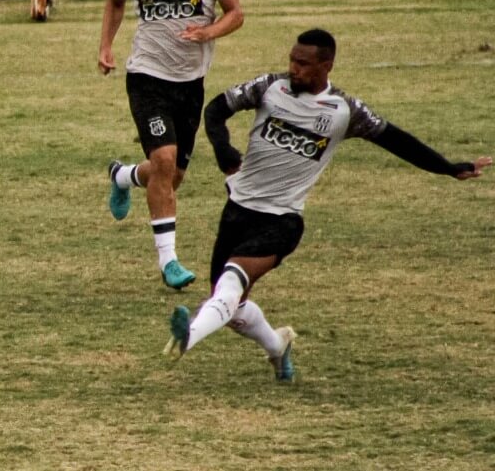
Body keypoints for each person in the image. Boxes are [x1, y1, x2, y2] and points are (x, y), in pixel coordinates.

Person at [164, 28, 490, 381]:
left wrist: (449, 167)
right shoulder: (270, 87)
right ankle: (277, 346)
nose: (294, 68)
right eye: (291, 59)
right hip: (238, 210)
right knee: (232, 305)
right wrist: (222, 147)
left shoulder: (344, 110)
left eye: (303, 63)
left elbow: (398, 141)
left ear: (326, 65)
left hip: (282, 221)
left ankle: (188, 337)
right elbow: (215, 109)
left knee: (231, 282)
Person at [98, 0, 244, 290]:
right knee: (163, 162)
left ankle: (124, 176)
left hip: (190, 84)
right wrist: (106, 46)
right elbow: (115, 2)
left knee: (172, 176)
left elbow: (235, 14)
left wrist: (208, 31)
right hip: (146, 77)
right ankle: (170, 262)